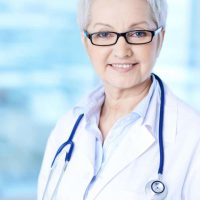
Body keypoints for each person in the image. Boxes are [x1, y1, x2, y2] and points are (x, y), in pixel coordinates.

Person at [37, 0, 200, 199]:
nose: (122, 51)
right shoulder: (67, 127)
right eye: (104, 34)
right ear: (86, 41)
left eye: (138, 33)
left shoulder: (192, 136)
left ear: (161, 38)